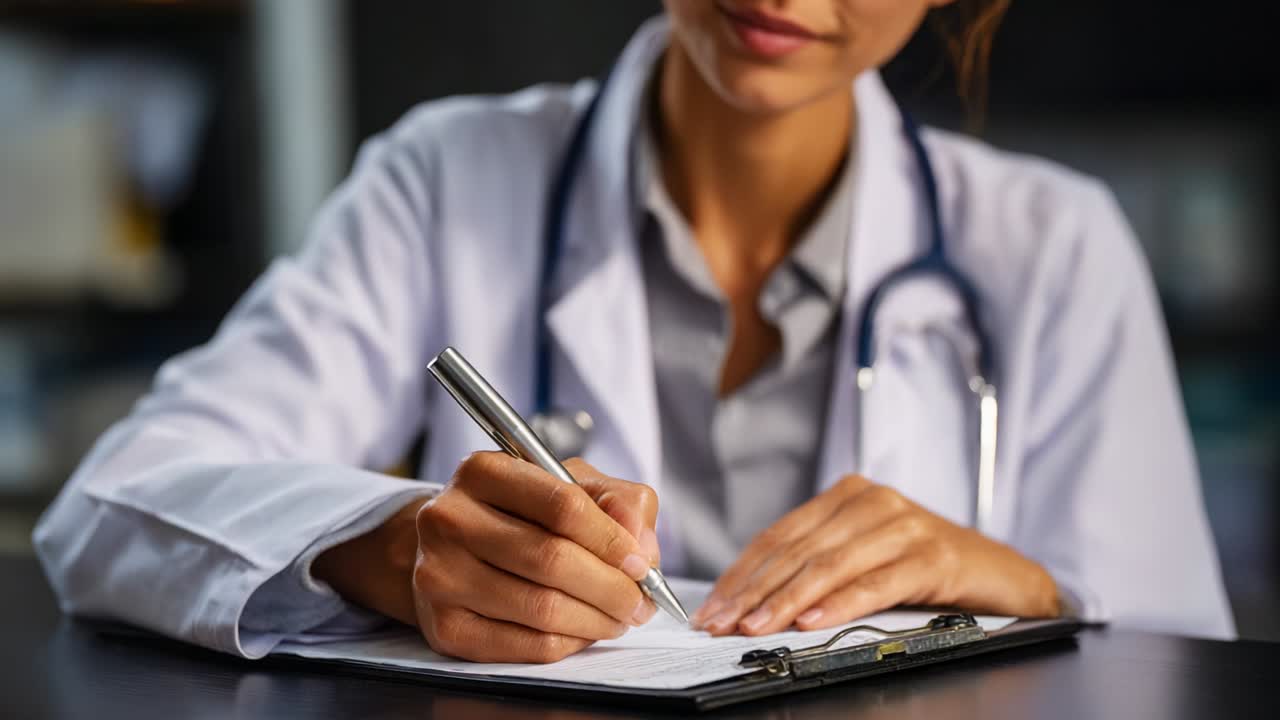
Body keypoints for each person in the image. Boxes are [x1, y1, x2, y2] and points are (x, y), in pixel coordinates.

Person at [34, 1, 1234, 664]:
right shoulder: (445, 179)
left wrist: (1013, 583)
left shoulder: (1053, 246)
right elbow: (112, 508)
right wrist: (393, 552)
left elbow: (1183, 665)